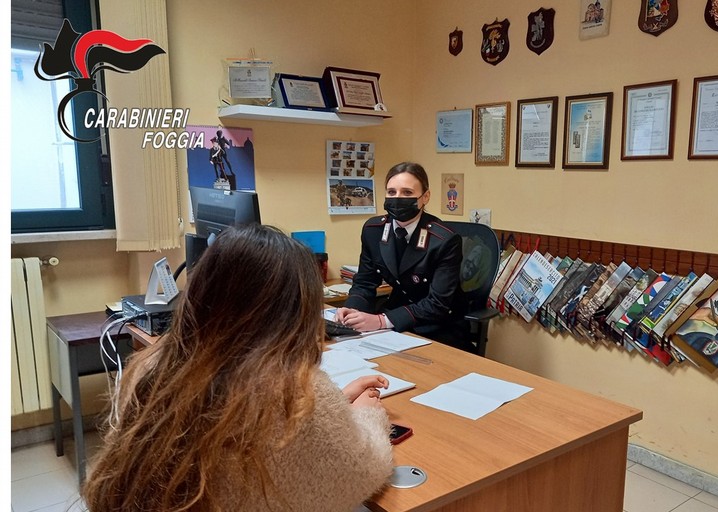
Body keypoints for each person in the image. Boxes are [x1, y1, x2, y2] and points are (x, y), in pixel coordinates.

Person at [82, 224, 393, 512]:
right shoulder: (292, 390)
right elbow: (363, 470)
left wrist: (336, 406)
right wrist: (366, 414)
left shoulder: (154, 364)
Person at [336, 162, 470, 350]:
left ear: (425, 197)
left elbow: (437, 304)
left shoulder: (444, 240)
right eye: (391, 192)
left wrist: (381, 321)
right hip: (394, 321)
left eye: (407, 193)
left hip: (437, 327)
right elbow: (365, 282)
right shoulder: (374, 230)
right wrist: (352, 310)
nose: (398, 198)